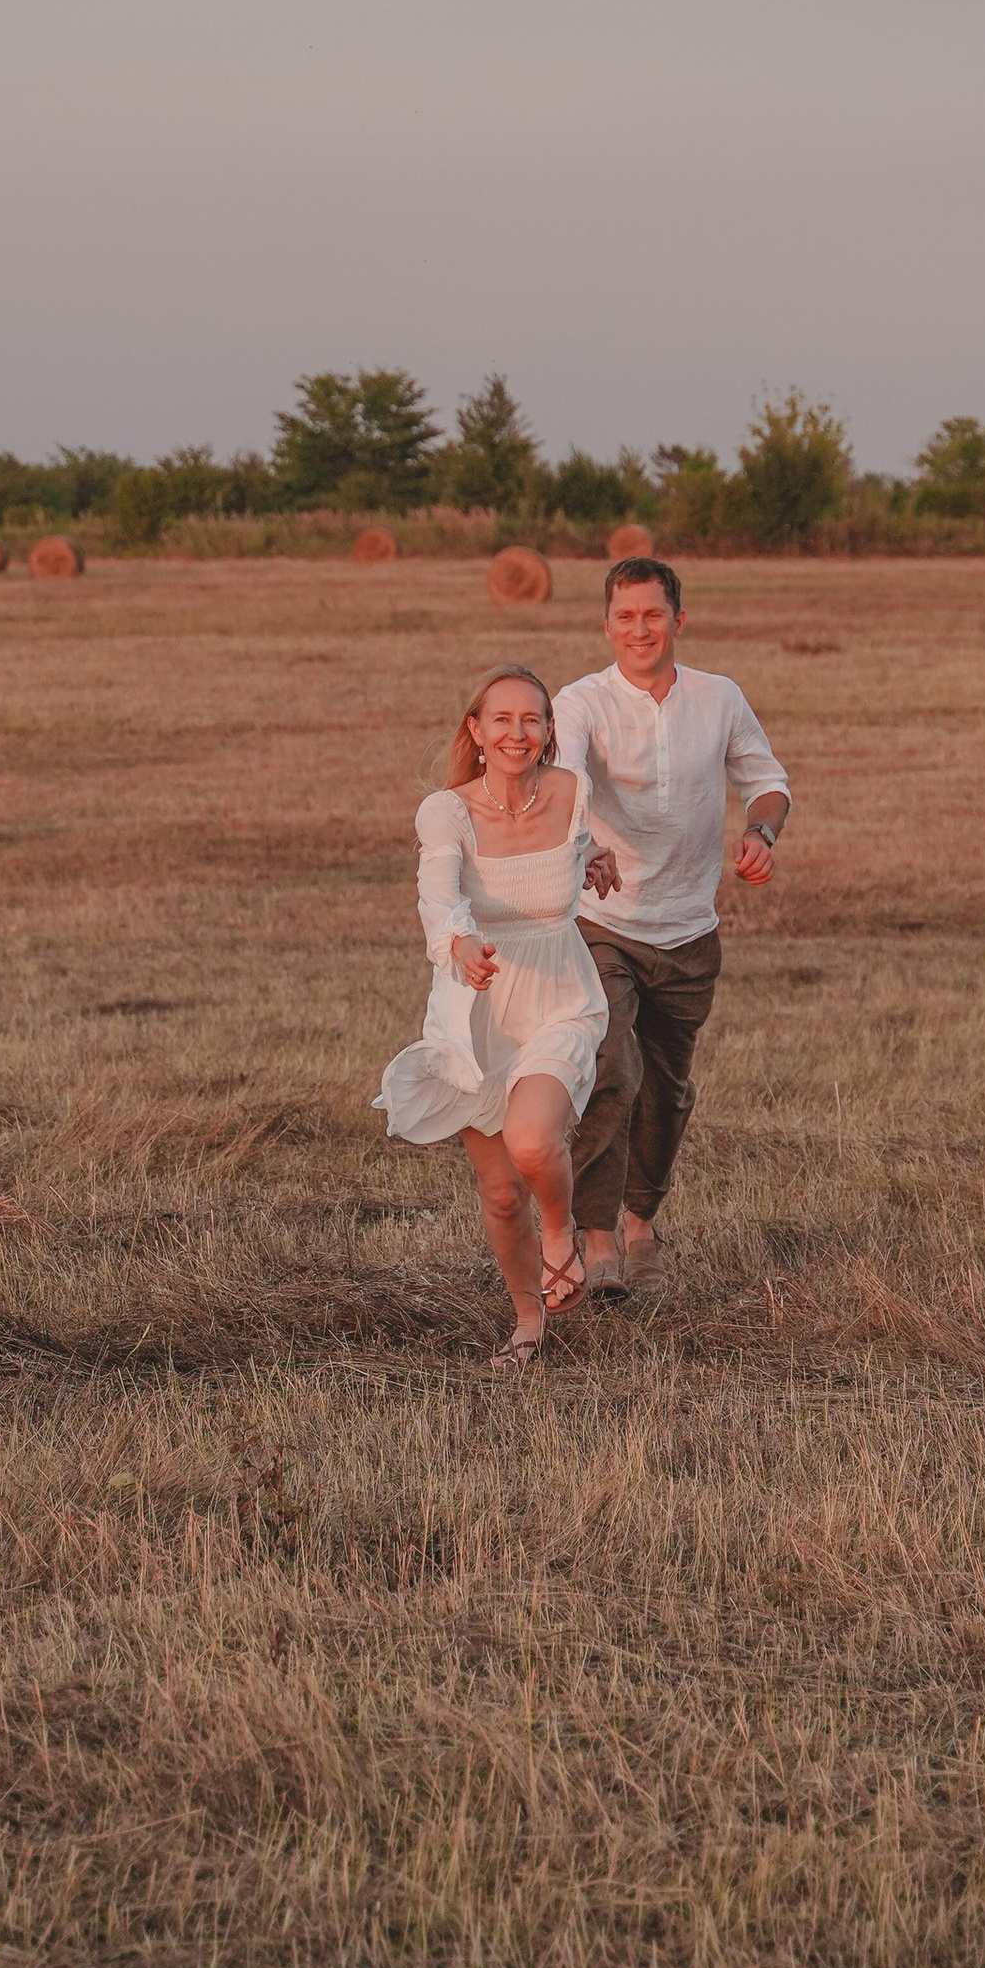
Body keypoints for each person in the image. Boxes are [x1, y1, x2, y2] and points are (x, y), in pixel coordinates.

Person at [551, 555, 790, 1298]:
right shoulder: (582, 700)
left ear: (679, 620)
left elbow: (768, 781)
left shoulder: (719, 699)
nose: (639, 629)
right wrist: (582, 844)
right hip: (602, 924)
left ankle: (641, 1224)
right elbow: (564, 779)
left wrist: (762, 834)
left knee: (667, 1087)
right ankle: (598, 1244)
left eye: (653, 614)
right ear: (607, 625)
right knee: (610, 1074)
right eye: (625, 616)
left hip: (690, 931)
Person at [375, 663, 612, 1366]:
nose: (518, 732)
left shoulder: (571, 792)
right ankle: (528, 1321)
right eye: (501, 720)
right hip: (481, 1008)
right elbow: (438, 893)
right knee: (502, 1194)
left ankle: (563, 1233)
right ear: (475, 732)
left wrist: (588, 860)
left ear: (547, 734)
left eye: (532, 720)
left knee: (534, 1141)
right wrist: (458, 940)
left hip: (561, 999)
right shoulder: (446, 810)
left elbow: (572, 847)